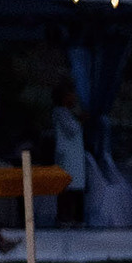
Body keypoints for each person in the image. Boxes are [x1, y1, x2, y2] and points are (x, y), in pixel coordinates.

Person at [50, 84, 88, 225]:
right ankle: (64, 217)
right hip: (67, 156)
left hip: (73, 155)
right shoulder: (60, 112)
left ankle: (72, 216)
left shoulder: (68, 112)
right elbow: (72, 129)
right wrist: (81, 118)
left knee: (74, 186)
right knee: (66, 186)